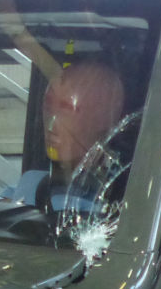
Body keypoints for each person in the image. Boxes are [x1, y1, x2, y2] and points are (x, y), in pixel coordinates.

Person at [7, 61, 127, 208]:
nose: (51, 123)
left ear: (103, 117)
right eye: (48, 106)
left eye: (66, 108)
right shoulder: (32, 182)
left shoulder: (123, 197)